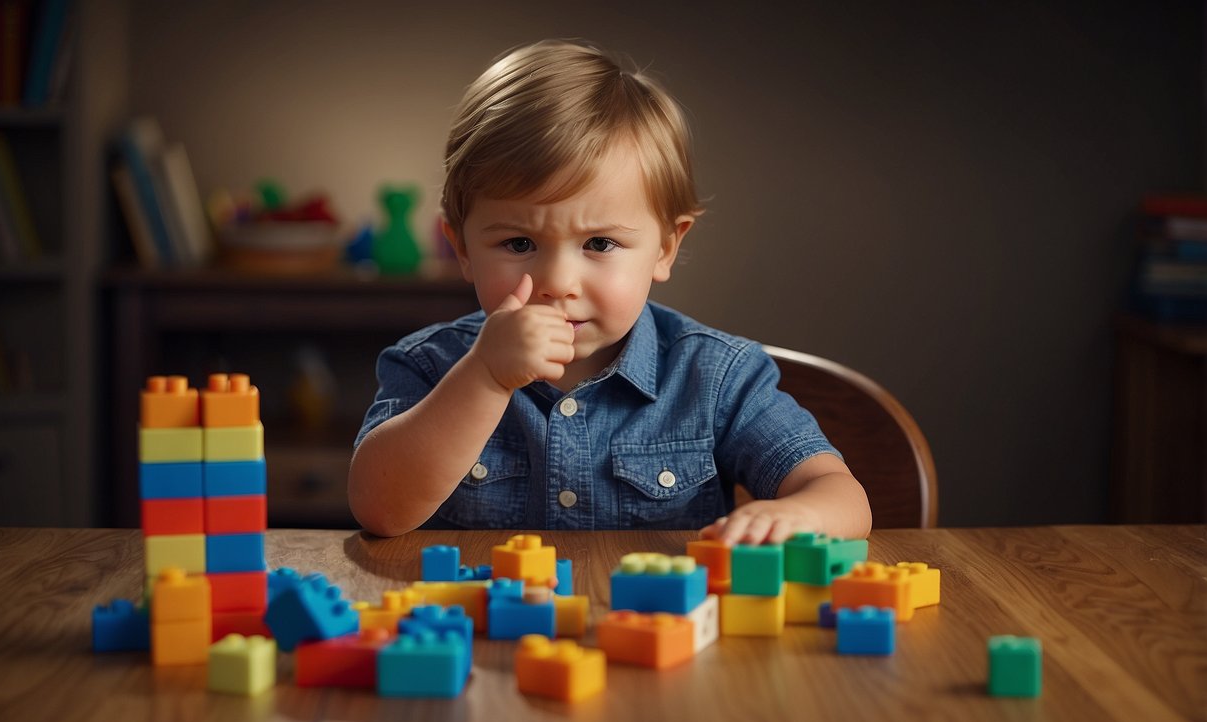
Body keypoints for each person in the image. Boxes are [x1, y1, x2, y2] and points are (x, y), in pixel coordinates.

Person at [349, 39, 871, 545]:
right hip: (479, 630)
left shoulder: (713, 378)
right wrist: (484, 377)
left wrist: (796, 516)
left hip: (653, 628)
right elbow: (379, 508)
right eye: (519, 242)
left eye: (599, 242)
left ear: (665, 248)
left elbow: (840, 495)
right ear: (461, 248)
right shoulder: (429, 365)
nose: (557, 282)